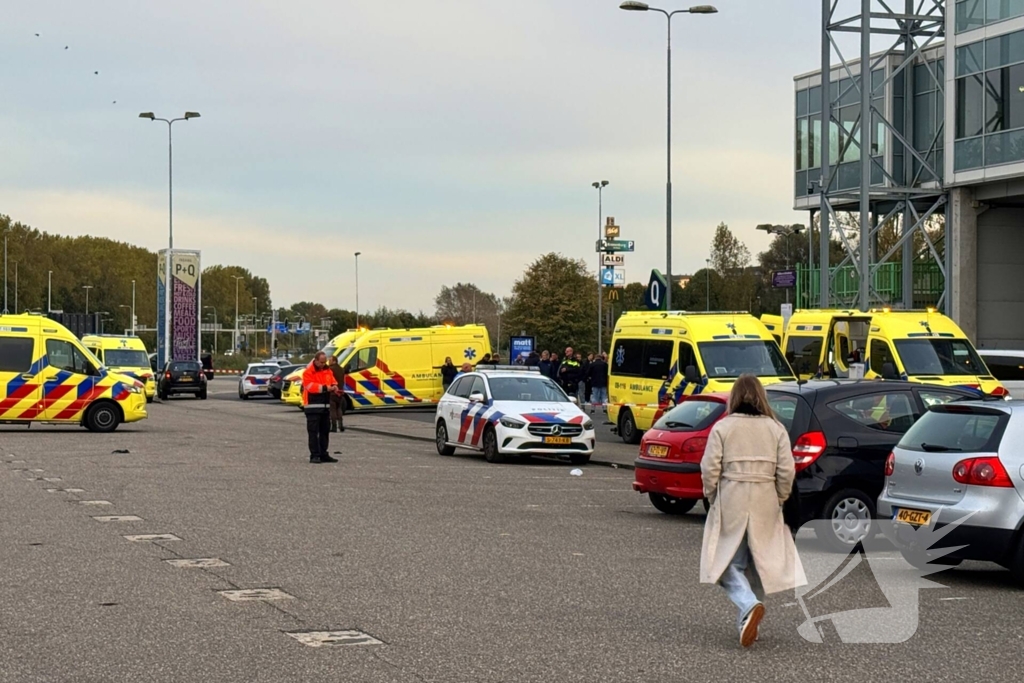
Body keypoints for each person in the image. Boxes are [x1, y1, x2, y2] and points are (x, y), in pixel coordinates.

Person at [699, 374, 806, 648]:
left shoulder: (723, 427)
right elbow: (787, 471)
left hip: (731, 496)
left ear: (734, 396)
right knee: (759, 564)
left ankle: (748, 606)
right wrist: (779, 497)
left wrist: (713, 496)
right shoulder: (776, 428)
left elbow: (709, 468)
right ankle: (748, 624)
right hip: (765, 498)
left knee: (723, 564)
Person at [302, 352, 342, 464]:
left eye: (325, 362)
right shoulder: (308, 372)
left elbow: (333, 381)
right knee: (313, 432)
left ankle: (323, 453)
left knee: (325, 431)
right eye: (321, 362)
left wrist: (334, 386)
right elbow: (310, 387)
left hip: (325, 406)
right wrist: (326, 388)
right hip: (312, 407)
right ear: (315, 360)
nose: (323, 364)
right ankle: (314, 455)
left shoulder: (328, 370)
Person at [327, 354, 347, 433]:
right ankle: (341, 425)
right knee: (339, 408)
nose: (329, 362)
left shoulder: (330, 370)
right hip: (340, 391)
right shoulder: (341, 369)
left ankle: (334, 426)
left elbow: (328, 380)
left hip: (333, 391)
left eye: (330, 360)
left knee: (332, 409)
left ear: (334, 361)